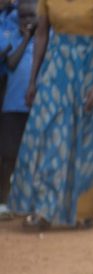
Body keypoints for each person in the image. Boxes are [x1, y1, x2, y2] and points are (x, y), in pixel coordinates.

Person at [10, 0, 93, 228]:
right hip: (55, 69)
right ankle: (44, 209)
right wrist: (32, 80)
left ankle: (83, 210)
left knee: (84, 140)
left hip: (88, 70)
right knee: (48, 133)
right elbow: (41, 36)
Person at [0, 0, 35, 219]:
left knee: (31, 157)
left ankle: (26, 202)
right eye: (23, 17)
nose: (27, 21)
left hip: (35, 107)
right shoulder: (13, 36)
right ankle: (4, 201)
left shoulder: (45, 40)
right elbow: (11, 63)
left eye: (32, 17)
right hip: (13, 104)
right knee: (9, 156)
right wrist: (26, 39)